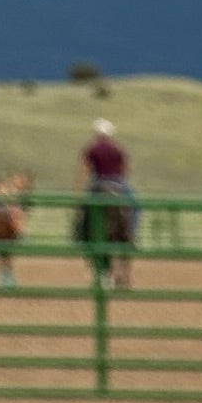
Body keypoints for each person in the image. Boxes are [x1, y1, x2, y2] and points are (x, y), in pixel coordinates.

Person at [77, 118, 139, 292]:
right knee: (135, 206)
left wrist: (80, 192)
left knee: (84, 209)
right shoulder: (118, 148)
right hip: (118, 183)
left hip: (98, 183)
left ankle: (81, 234)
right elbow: (127, 168)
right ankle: (132, 233)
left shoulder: (92, 148)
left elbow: (85, 170)